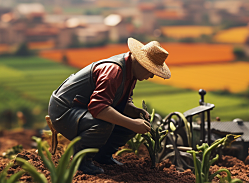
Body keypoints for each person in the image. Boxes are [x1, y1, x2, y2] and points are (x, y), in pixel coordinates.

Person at [48, 37, 171, 175]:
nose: (152, 76)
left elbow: (121, 99)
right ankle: (81, 160)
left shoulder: (131, 74)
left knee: (127, 124)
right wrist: (132, 123)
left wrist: (133, 111)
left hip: (83, 108)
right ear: (141, 64)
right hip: (65, 110)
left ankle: (102, 156)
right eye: (151, 70)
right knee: (103, 124)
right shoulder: (114, 71)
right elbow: (99, 108)